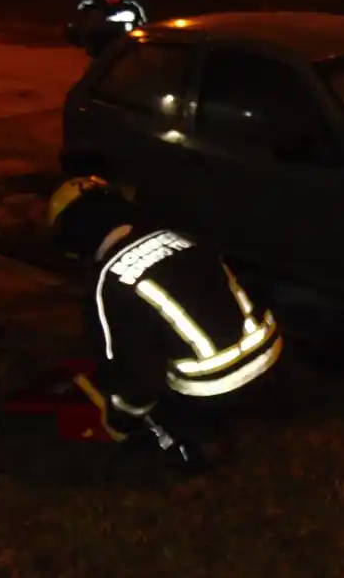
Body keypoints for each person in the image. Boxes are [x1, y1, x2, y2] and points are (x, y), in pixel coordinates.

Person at [47, 176, 284, 468]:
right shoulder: (179, 237)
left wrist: (120, 419)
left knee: (147, 402)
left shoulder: (109, 282)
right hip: (270, 356)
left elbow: (135, 375)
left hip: (214, 387)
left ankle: (189, 448)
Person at [68, 0, 148, 57]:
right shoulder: (94, 6)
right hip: (101, 48)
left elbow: (142, 25)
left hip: (126, 46)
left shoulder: (132, 6)